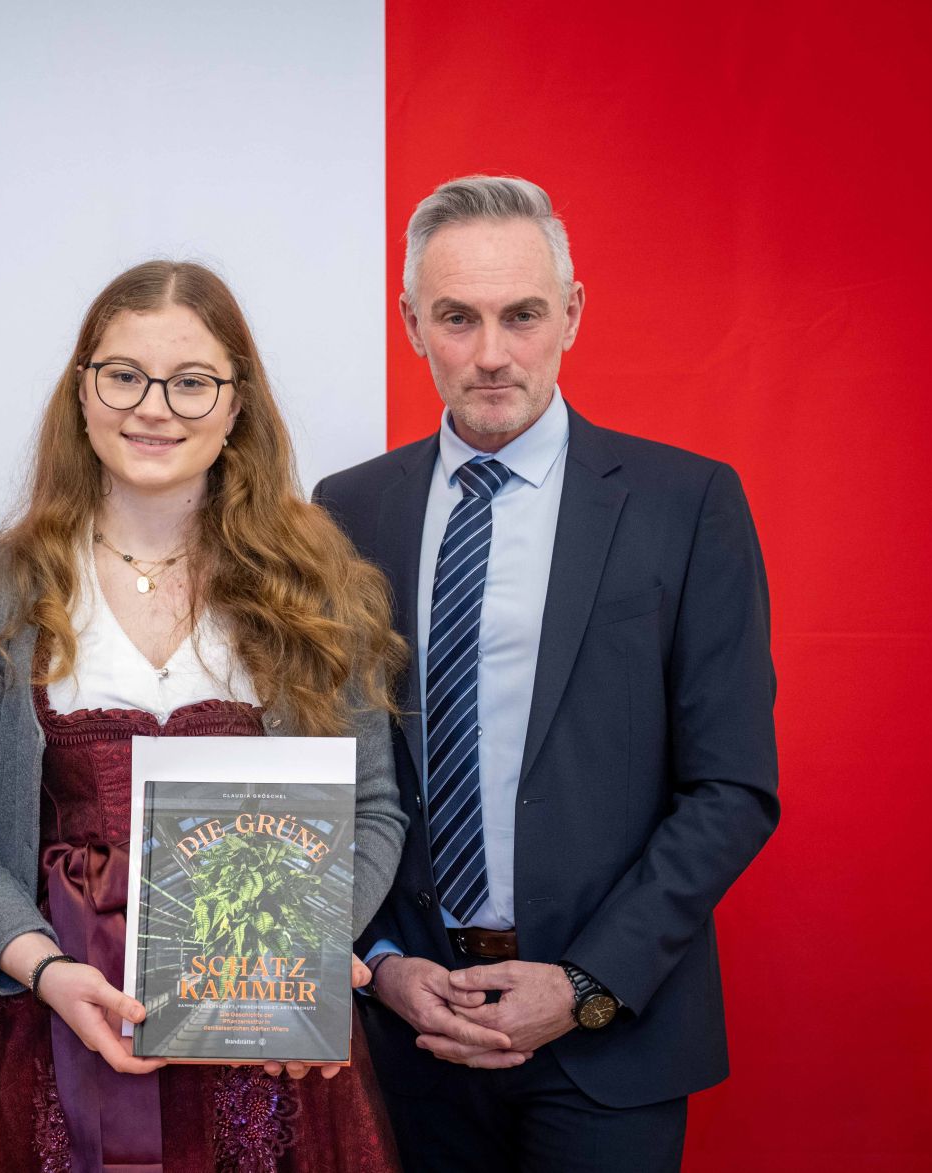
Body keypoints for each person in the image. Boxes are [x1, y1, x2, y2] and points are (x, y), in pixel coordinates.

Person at [314, 176, 780, 1172]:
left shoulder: (685, 503)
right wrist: (380, 967)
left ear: (570, 313)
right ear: (411, 324)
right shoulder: (345, 511)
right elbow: (331, 772)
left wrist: (583, 985)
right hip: (408, 1039)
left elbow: (731, 785)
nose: (491, 353)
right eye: (457, 318)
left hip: (609, 1040)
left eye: (521, 315)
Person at [0, 261, 409, 1172]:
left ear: (236, 404)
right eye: (124, 375)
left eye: (191, 382)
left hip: (267, 1034)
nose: (154, 408)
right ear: (82, 391)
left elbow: (373, 807)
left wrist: (304, 951)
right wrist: (45, 970)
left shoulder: (318, 587)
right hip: (61, 1027)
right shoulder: (0, 593)